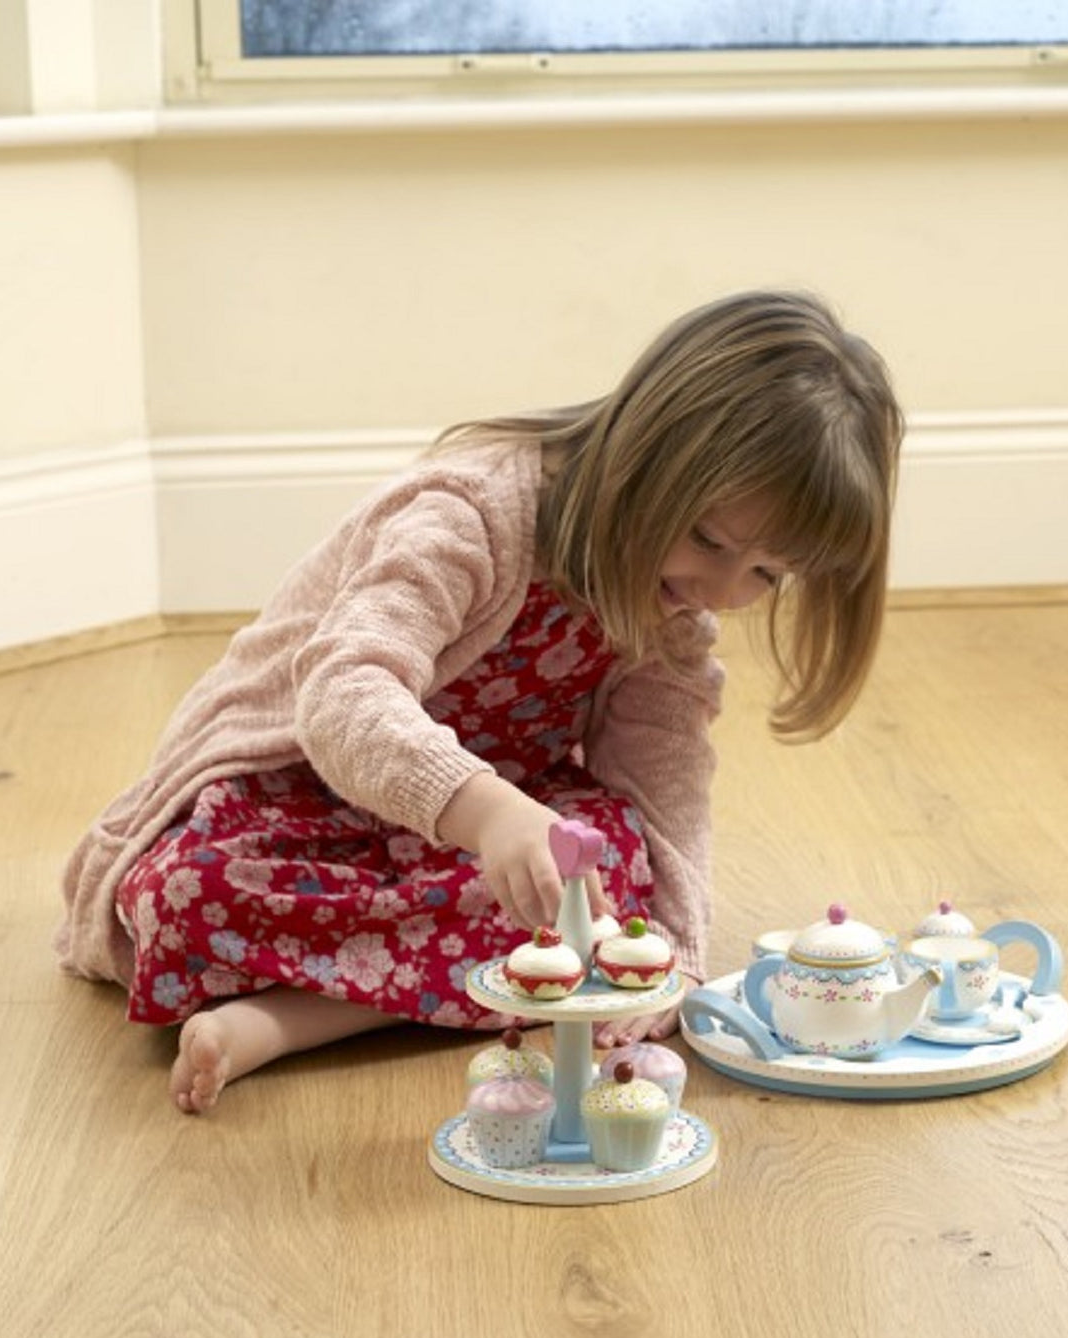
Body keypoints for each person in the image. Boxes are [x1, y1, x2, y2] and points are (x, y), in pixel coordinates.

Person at [55, 289, 901, 1114]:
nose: (715, 588)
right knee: (182, 896)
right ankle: (453, 981)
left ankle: (297, 1015)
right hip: (299, 791)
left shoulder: (671, 608)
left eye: (764, 573)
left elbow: (663, 777)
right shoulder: (472, 513)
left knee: (620, 876)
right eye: (709, 540)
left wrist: (674, 956)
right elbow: (343, 695)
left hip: (476, 838)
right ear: (646, 454)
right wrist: (487, 810)